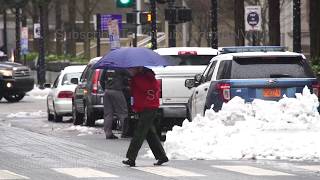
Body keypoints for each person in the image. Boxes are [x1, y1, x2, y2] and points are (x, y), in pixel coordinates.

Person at [122, 67, 168, 167]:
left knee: (140, 132)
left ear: (138, 69)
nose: (130, 71)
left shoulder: (140, 78)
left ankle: (131, 157)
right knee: (150, 133)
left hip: (148, 107)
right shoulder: (147, 77)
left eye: (131, 69)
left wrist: (133, 81)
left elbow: (142, 90)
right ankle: (161, 156)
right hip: (146, 106)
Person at [100, 68, 130, 139]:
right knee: (123, 112)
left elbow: (101, 80)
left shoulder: (107, 68)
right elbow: (130, 76)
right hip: (117, 91)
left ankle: (108, 133)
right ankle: (125, 132)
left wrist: (105, 88)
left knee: (108, 113)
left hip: (107, 91)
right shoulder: (120, 68)